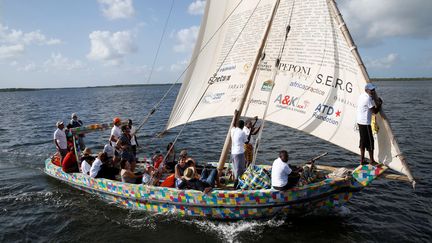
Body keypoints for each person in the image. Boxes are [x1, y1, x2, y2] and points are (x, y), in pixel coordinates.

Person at [357, 83, 383, 165]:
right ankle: (371, 161)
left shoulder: (362, 95)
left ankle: (362, 160)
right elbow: (374, 111)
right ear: (366, 90)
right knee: (370, 141)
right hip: (365, 123)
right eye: (371, 90)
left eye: (373, 89)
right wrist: (379, 104)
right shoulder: (367, 99)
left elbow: (370, 99)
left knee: (363, 141)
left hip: (360, 121)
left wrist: (373, 98)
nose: (373, 91)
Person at [230, 110, 248, 185]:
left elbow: (233, 124)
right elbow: (246, 141)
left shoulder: (233, 130)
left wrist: (235, 115)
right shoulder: (242, 132)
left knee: (235, 168)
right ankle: (236, 183)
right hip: (239, 153)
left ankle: (236, 180)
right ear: (243, 126)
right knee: (240, 169)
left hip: (233, 152)